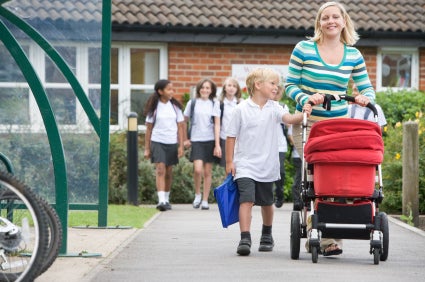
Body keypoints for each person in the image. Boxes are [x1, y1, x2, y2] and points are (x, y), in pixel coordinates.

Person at [284, 1, 376, 256]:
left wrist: (365, 97)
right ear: (319, 23)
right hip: (309, 124)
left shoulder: (353, 55)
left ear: (344, 21)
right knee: (316, 178)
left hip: (338, 126)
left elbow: (366, 87)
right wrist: (306, 98)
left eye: (336, 17)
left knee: (337, 177)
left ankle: (331, 235)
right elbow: (290, 84)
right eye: (325, 18)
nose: (331, 21)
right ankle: (324, 239)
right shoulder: (304, 49)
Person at [226, 68, 312, 256]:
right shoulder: (240, 109)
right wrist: (229, 162)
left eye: (277, 84)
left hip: (267, 165)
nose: (276, 87)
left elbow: (289, 119)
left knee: (266, 202)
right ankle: (245, 237)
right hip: (245, 165)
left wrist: (304, 112)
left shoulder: (275, 108)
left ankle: (267, 234)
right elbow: (231, 136)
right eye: (272, 84)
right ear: (258, 85)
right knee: (246, 200)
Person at [144, 79, 185, 211]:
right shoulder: (154, 108)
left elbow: (180, 127)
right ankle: (161, 200)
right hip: (157, 141)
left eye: (172, 89)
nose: (171, 91)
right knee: (160, 169)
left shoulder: (175, 107)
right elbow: (149, 129)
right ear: (160, 91)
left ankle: (166, 199)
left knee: (168, 172)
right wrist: (147, 148)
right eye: (169, 89)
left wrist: (181, 146)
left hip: (172, 142)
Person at [183, 78, 221, 210]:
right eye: (203, 87)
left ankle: (205, 200)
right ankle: (197, 194)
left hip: (210, 140)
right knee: (198, 169)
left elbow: (217, 124)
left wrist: (217, 145)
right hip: (196, 140)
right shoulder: (192, 103)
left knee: (207, 171)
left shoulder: (214, 104)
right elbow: (184, 121)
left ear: (211, 91)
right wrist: (185, 139)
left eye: (208, 88)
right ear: (199, 89)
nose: (205, 90)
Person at [217, 77, 242, 168]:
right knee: (228, 167)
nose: (231, 88)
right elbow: (217, 124)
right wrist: (217, 144)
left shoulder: (240, 103)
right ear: (224, 88)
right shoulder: (220, 103)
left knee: (238, 166)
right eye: (229, 85)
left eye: (234, 86)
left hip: (239, 140)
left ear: (237, 89)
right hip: (225, 138)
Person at [272, 87, 289, 208]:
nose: (276, 95)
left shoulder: (283, 107)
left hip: (280, 144)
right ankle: (268, 195)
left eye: (278, 93)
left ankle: (279, 193)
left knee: (280, 170)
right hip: (266, 144)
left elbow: (288, 123)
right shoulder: (264, 105)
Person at [287, 125, 302, 211]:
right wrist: (299, 146)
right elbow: (290, 136)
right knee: (299, 177)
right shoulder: (295, 120)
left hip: (309, 154)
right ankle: (297, 201)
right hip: (297, 155)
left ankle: (305, 202)